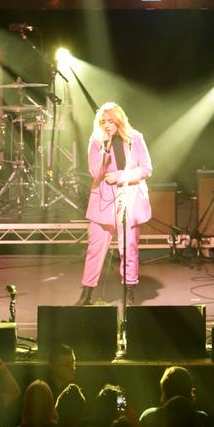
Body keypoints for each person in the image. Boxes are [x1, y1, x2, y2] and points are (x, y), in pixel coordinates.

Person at [76, 102, 152, 307]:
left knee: (128, 247)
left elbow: (146, 169)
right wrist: (105, 149)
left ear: (119, 120)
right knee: (95, 248)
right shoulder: (96, 141)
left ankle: (129, 292)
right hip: (103, 199)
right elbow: (95, 172)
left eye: (110, 121)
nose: (107, 125)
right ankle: (86, 293)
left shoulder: (135, 138)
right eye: (103, 121)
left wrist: (121, 176)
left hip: (130, 197)